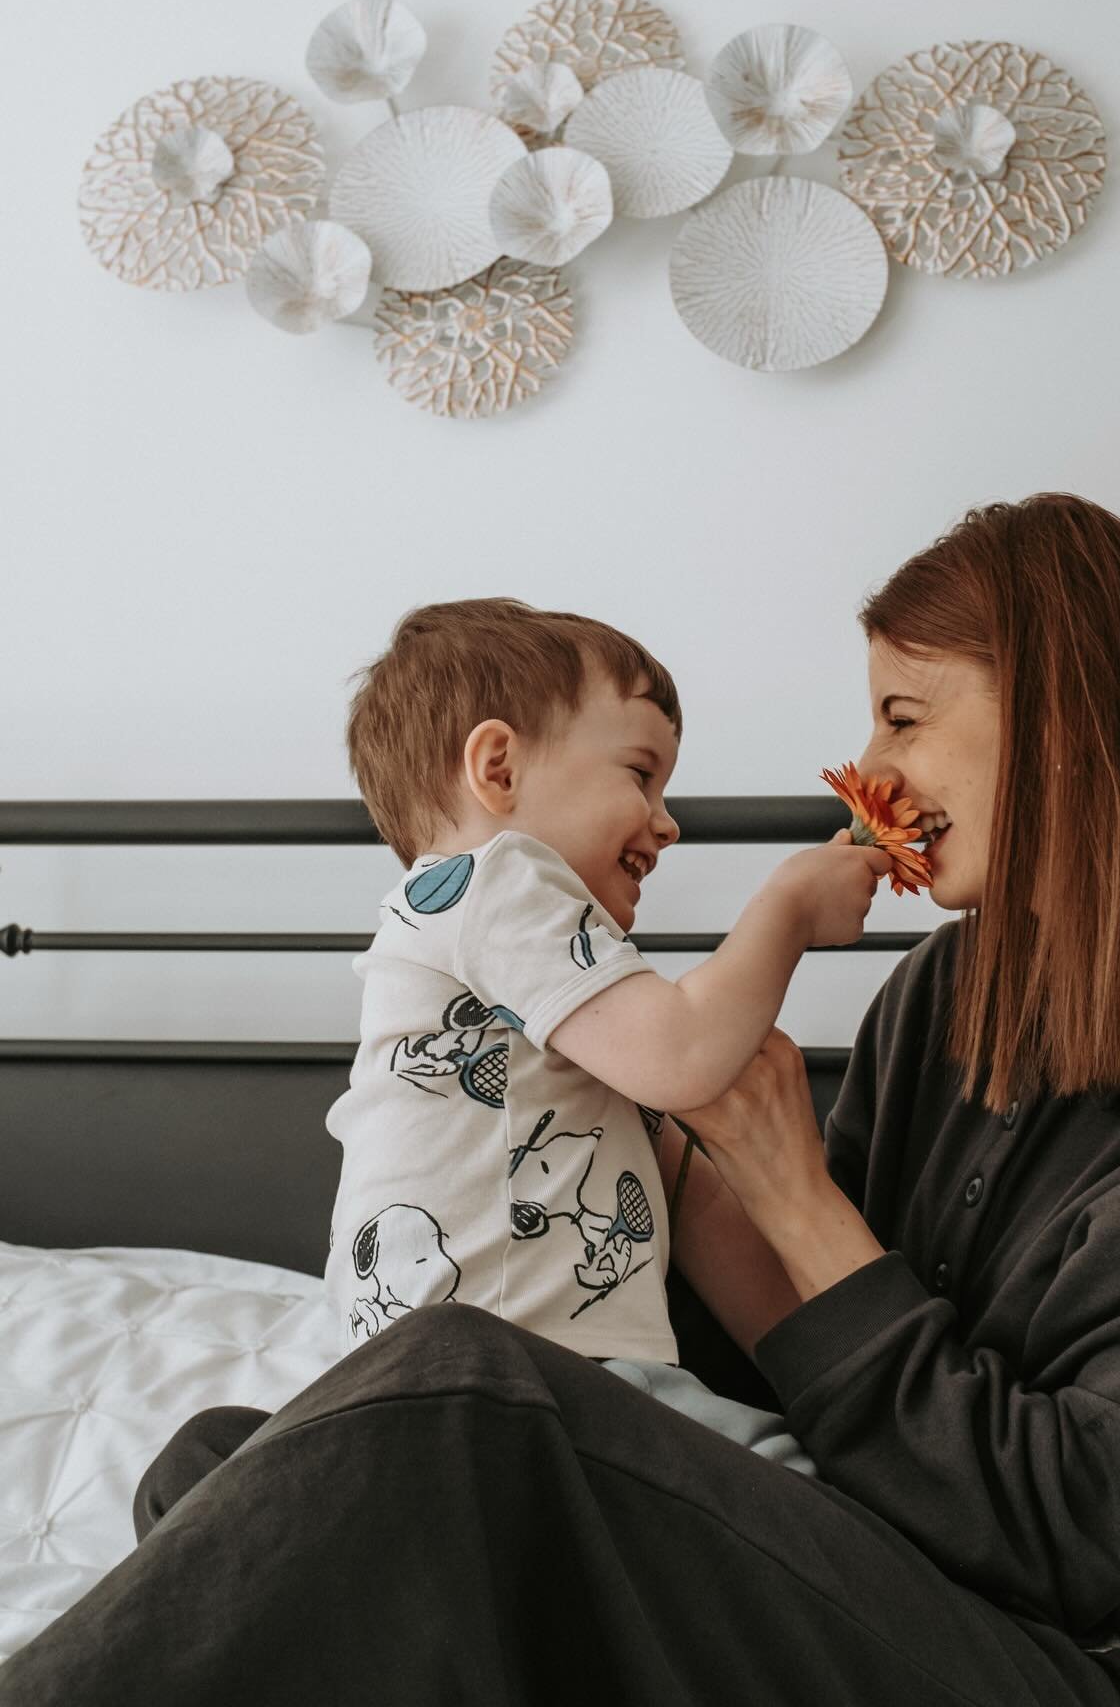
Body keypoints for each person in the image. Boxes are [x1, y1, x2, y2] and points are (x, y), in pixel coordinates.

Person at [0, 493, 1120, 1707]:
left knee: (449, 1403)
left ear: (1068, 718)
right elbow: (790, 1369)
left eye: (903, 719)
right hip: (879, 1583)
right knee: (236, 1468)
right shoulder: (943, 996)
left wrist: (792, 1190)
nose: (870, 773)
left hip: (1102, 1704)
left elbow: (1061, 1538)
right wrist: (659, 1150)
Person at [318, 595, 892, 1477]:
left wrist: (839, 1375)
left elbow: (701, 1202)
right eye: (640, 774)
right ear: (498, 769)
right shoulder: (492, 880)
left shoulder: (546, 1007)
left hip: (507, 1387)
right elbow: (682, 1055)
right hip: (523, 1379)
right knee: (807, 1497)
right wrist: (789, 909)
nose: (668, 821)